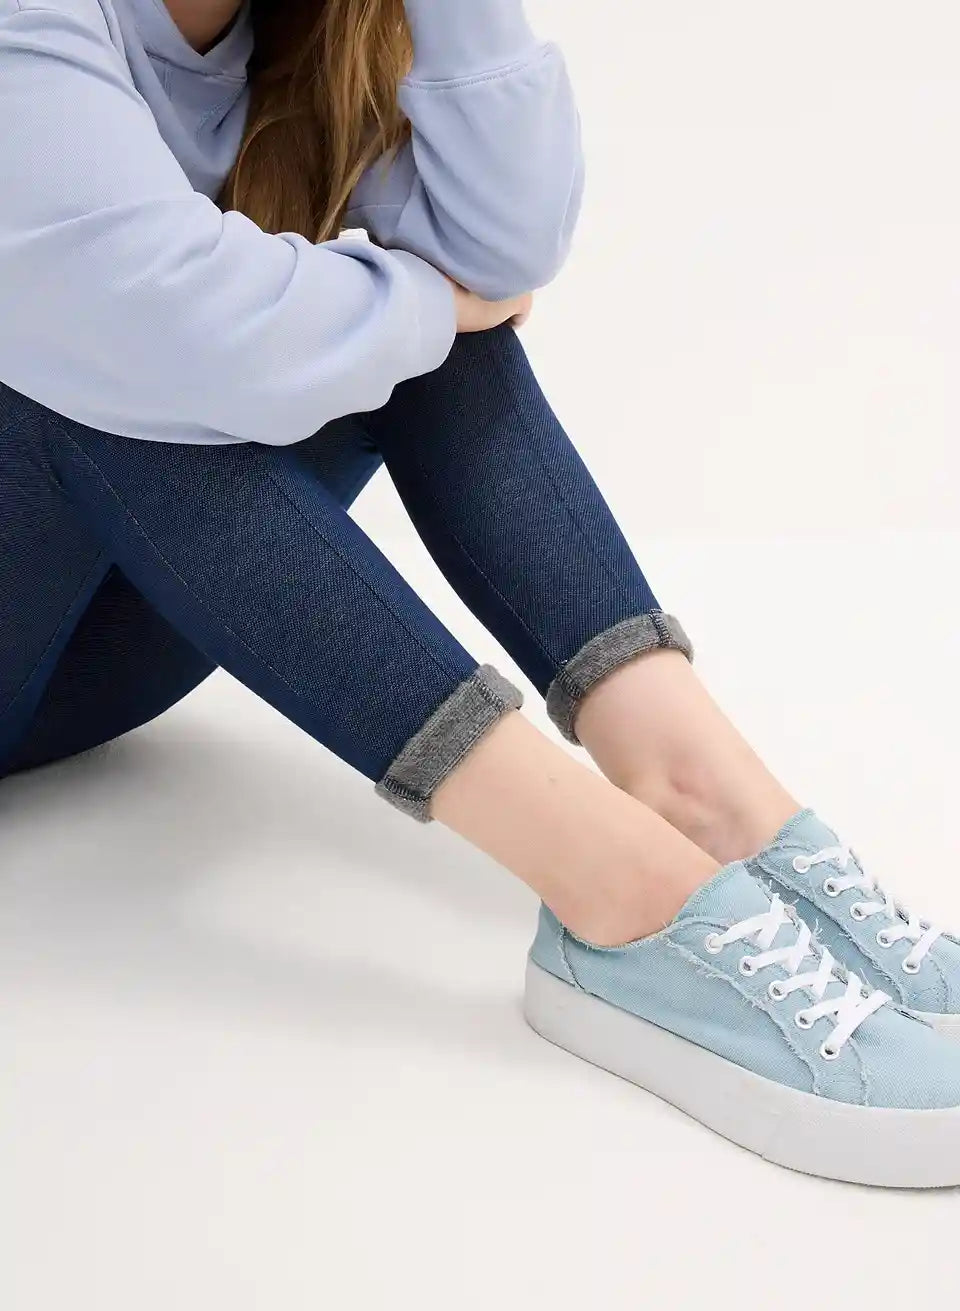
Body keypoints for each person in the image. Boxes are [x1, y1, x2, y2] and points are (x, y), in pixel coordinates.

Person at [2, 0, 959, 1188]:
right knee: (106, 359)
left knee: (412, 329)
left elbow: (497, 250)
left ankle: (710, 801)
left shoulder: (302, 30)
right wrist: (419, 304)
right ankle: (627, 895)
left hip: (89, 653)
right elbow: (153, 322)